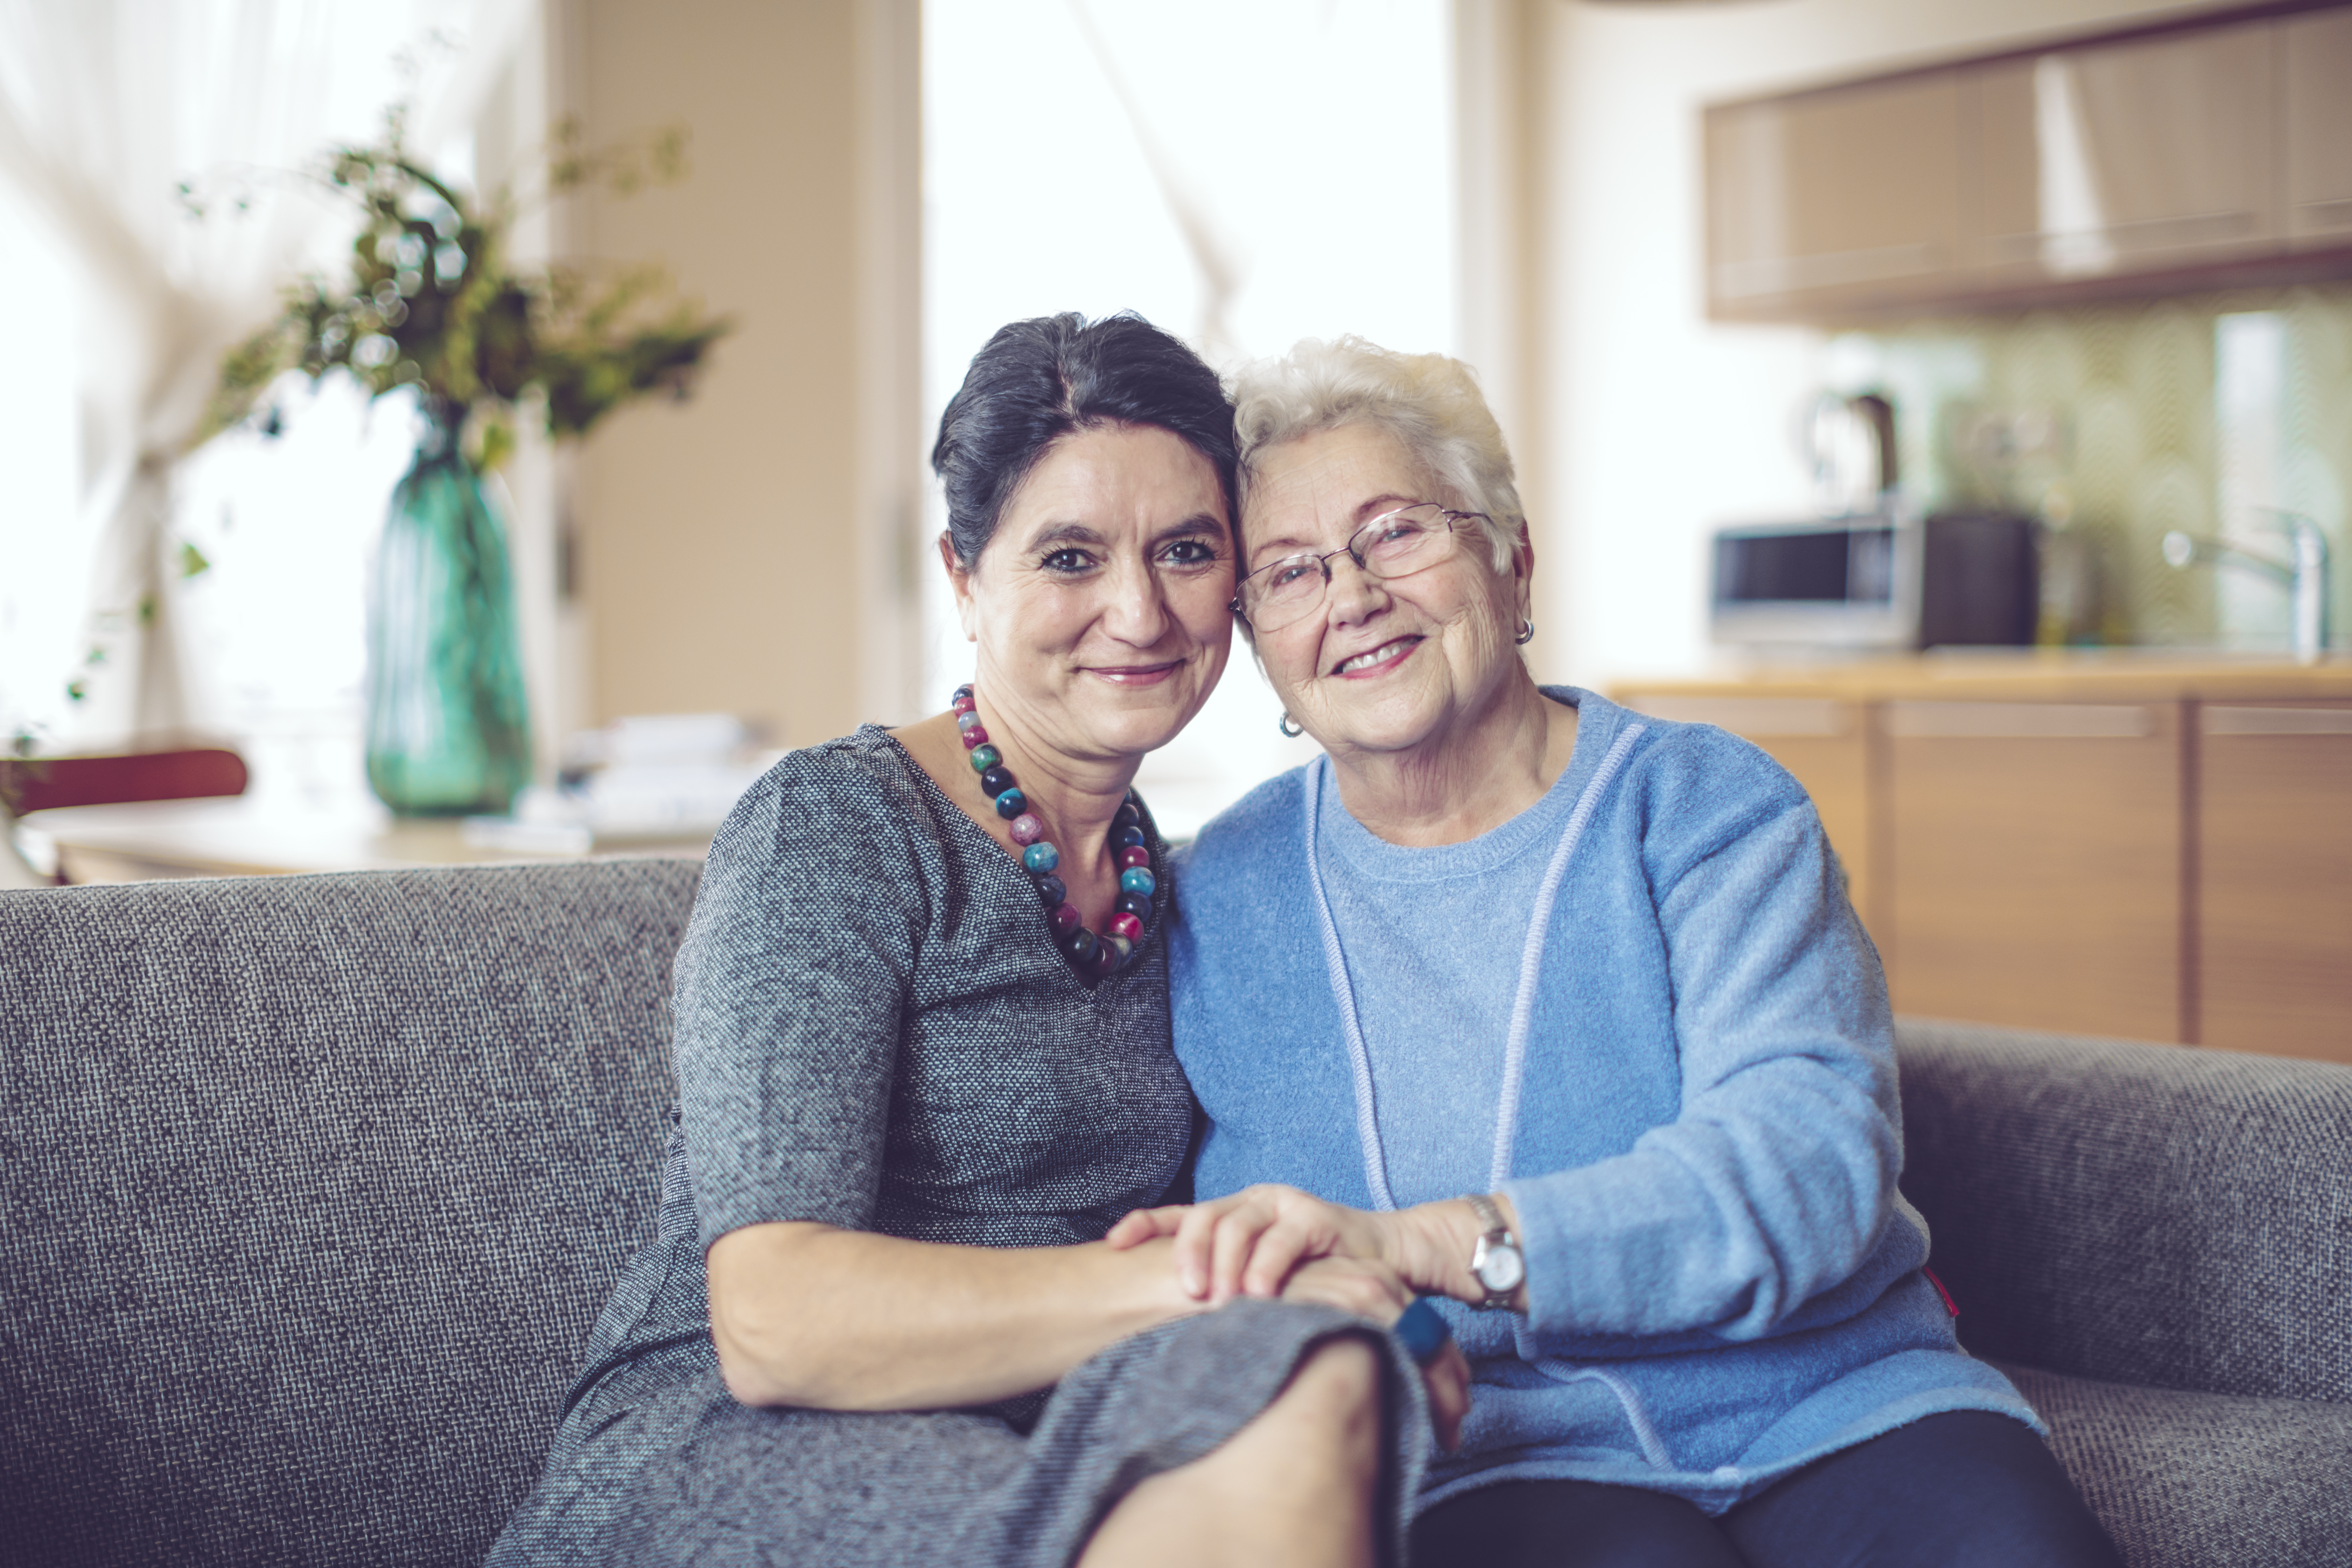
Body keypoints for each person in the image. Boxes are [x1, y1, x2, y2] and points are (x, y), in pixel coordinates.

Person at [1114, 336, 2123, 1568]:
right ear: (1260, 643)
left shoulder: (1711, 811)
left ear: (1510, 556)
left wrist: (1440, 1241)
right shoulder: (1222, 896)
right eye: (1290, 573)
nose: (1353, 596)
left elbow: (1809, 1165)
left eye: (1396, 534)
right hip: (1501, 1454)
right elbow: (1261, 1262)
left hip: (1834, 1405)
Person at [486, 314, 1465, 1568]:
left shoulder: (1177, 886)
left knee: (1329, 1380)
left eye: (1185, 550)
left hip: (1041, 1424)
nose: (1139, 610)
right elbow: (775, 1318)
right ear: (964, 578)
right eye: (1069, 556)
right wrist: (1225, 1287)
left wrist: (1374, 1324)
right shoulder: (835, 829)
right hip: (741, 1444)